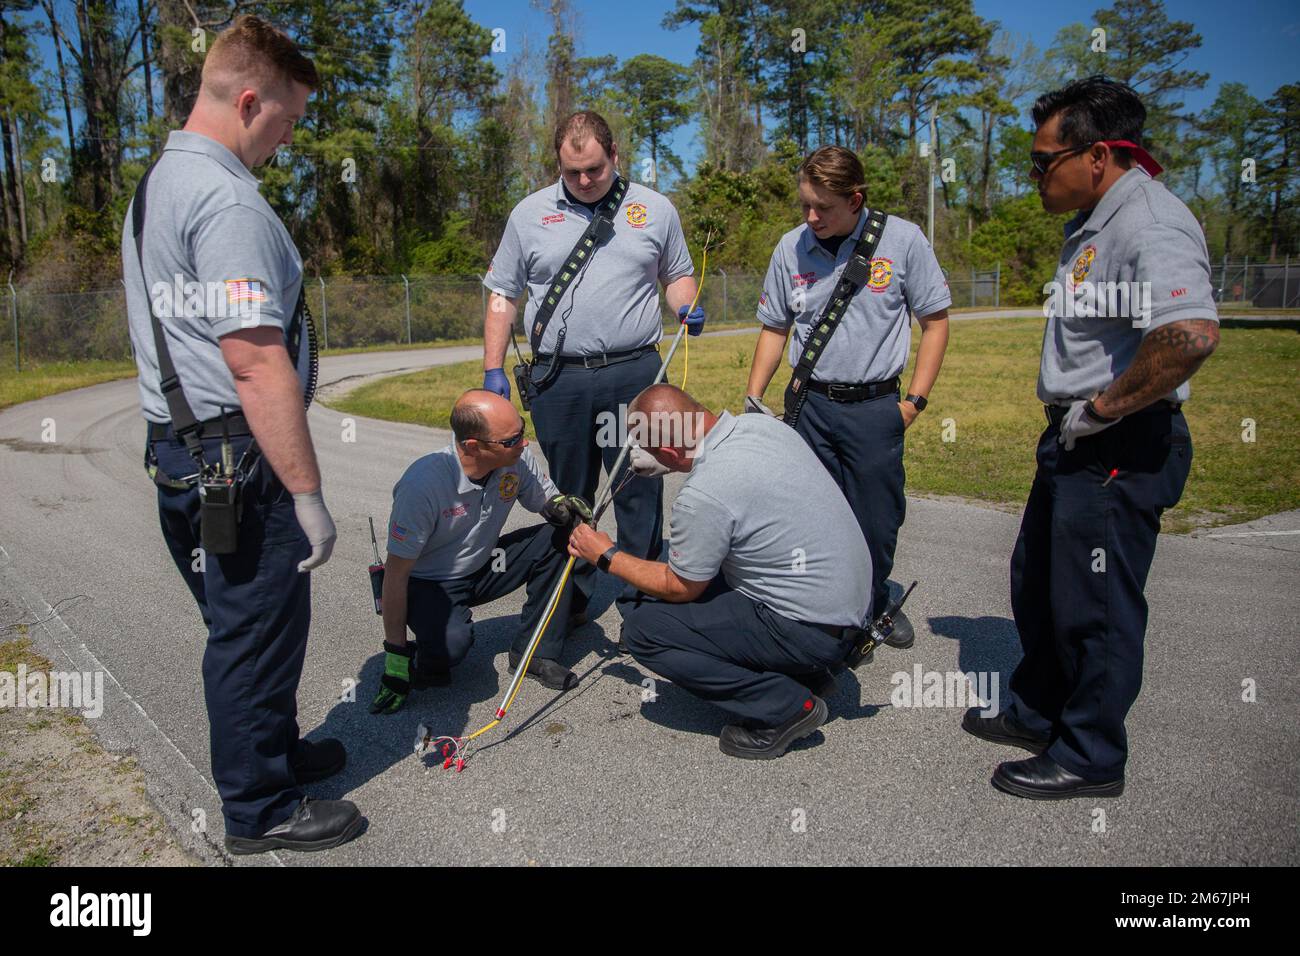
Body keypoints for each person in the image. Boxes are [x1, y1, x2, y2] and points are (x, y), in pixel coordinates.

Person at [121, 16, 361, 854]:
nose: (289, 139)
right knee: (252, 630)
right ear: (250, 99)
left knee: (245, 625)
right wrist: (307, 494)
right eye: (288, 120)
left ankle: (276, 752)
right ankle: (260, 810)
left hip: (182, 449)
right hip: (236, 456)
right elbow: (256, 364)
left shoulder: (160, 184)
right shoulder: (226, 199)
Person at [963, 76, 1218, 799]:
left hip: (1119, 446)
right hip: (1077, 443)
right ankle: (1042, 710)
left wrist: (1104, 409)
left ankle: (1091, 753)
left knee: (1094, 607)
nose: (1035, 174)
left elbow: (1191, 333)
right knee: (1039, 583)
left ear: (1098, 155)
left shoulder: (1151, 222)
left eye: (1046, 161)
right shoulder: (1097, 222)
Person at [482, 111, 704, 643]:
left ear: (615, 156)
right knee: (569, 498)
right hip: (561, 379)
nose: (583, 181)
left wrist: (686, 303)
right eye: (572, 171)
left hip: (636, 373)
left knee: (638, 492)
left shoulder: (655, 209)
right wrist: (493, 368)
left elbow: (676, 273)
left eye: (595, 171)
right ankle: (570, 602)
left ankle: (644, 607)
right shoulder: (529, 214)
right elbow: (502, 295)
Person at [567, 385, 873, 760]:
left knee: (645, 630)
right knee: (708, 570)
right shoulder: (762, 427)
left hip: (811, 630)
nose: (637, 455)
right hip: (850, 606)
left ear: (666, 450)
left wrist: (606, 555)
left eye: (642, 445)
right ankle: (809, 674)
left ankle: (785, 707)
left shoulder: (704, 495)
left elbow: (680, 587)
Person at [744, 145, 950, 648]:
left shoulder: (902, 241)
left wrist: (913, 404)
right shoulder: (790, 248)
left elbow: (936, 323)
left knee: (877, 518)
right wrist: (753, 397)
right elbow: (775, 327)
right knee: (811, 511)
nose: (812, 217)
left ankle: (873, 599)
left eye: (824, 207)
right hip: (808, 405)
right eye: (805, 206)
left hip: (875, 408)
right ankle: (818, 604)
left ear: (855, 199)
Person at [370, 390, 593, 713]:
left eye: (522, 431)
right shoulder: (423, 486)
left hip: (485, 564)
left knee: (564, 536)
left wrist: (563, 507)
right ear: (473, 446)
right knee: (450, 649)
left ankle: (535, 652)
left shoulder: (515, 458)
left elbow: (546, 501)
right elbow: (396, 574)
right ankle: (429, 652)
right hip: (429, 581)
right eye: (512, 439)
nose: (524, 443)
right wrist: (395, 655)